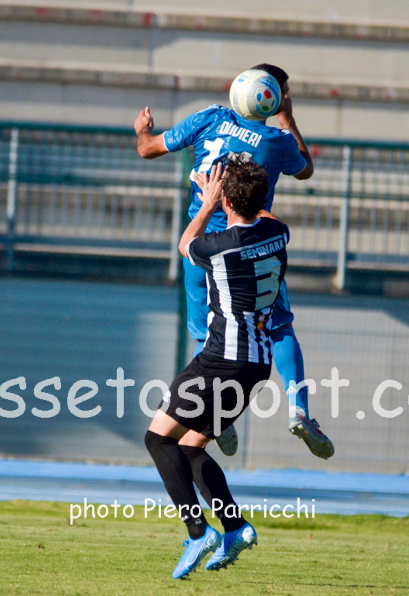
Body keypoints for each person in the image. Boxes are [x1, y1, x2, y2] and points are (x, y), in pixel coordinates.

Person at [135, 63, 333, 459]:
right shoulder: (276, 141)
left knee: (206, 335)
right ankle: (298, 408)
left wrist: (142, 129)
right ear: (276, 98)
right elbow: (306, 169)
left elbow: (148, 149)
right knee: (279, 326)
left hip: (199, 244)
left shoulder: (209, 117)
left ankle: (213, 416)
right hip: (248, 247)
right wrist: (287, 118)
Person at [145, 158, 286, 578]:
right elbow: (261, 215)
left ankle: (197, 531)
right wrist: (242, 191)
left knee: (157, 439)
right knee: (190, 446)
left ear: (225, 200)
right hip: (257, 365)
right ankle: (235, 526)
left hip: (221, 360)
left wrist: (206, 203)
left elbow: (185, 243)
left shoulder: (218, 246)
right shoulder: (278, 232)